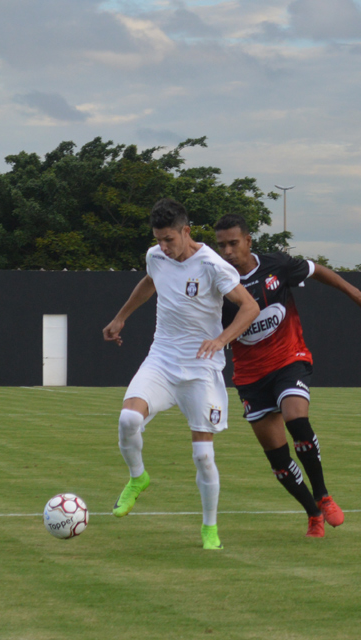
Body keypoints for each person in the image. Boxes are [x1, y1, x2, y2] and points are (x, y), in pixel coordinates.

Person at [103, 198, 259, 550]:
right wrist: (121, 317)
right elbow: (150, 282)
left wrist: (221, 339)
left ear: (186, 231)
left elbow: (250, 307)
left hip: (201, 367)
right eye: (158, 239)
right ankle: (138, 478)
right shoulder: (156, 256)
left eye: (169, 239)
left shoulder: (212, 265)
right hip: (162, 359)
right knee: (128, 419)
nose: (163, 246)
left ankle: (209, 528)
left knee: (203, 456)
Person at [214, 214, 361, 538]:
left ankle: (323, 495)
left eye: (233, 243)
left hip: (289, 360)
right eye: (222, 246)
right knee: (278, 461)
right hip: (250, 377)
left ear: (248, 241)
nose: (227, 252)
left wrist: (355, 293)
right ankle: (313, 513)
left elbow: (317, 270)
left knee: (296, 420)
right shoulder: (216, 281)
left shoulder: (277, 265)